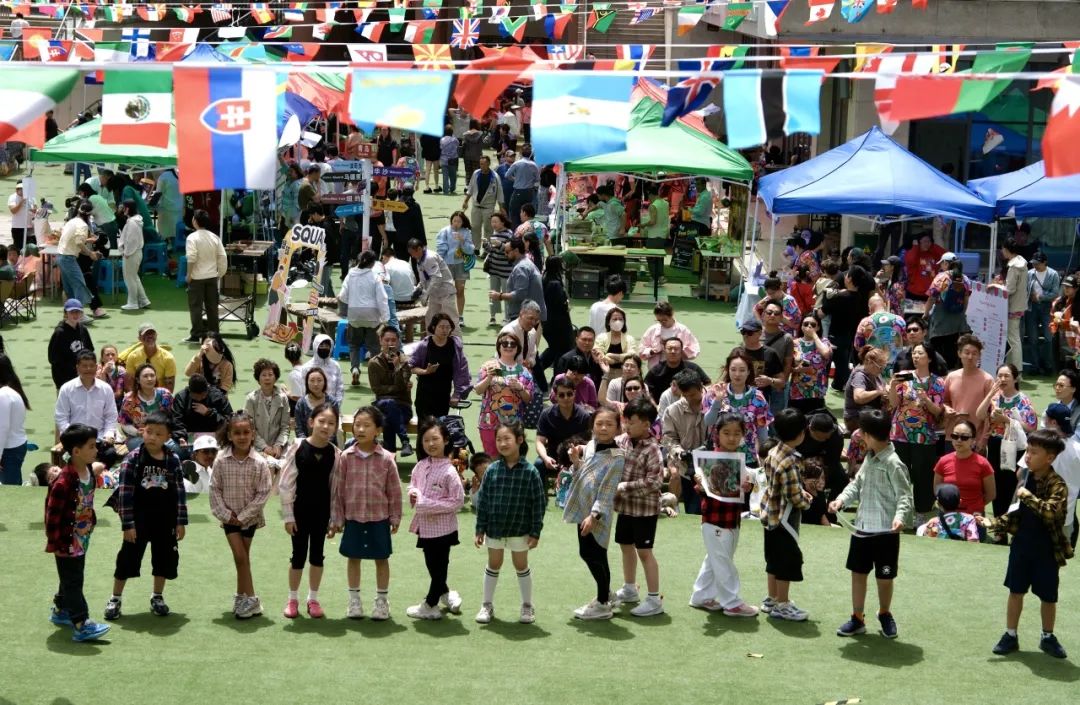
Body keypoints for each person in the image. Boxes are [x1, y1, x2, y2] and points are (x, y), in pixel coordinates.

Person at [983, 429, 1072, 659]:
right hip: (1021, 546)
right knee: (1016, 591)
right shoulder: (1025, 478)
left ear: (1050, 458)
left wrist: (1027, 496)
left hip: (1047, 550)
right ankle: (1010, 635)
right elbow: (1015, 513)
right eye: (1028, 451)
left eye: (1033, 452)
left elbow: (1051, 512)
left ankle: (1047, 636)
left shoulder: (1058, 484)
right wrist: (993, 522)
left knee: (1048, 596)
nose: (1028, 456)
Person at [829, 408, 913, 639]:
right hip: (862, 530)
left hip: (886, 533)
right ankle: (857, 618)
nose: (858, 435)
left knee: (885, 577)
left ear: (868, 435)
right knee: (858, 574)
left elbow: (905, 496)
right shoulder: (869, 457)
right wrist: (841, 500)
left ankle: (884, 613)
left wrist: (899, 517)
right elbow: (857, 485)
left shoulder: (894, 463)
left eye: (861, 432)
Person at [103, 412, 188, 621]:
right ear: (142, 431)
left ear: (168, 437)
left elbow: (179, 492)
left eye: (159, 434)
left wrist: (180, 521)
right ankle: (115, 598)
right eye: (149, 432)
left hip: (165, 521)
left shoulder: (173, 460)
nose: (152, 437)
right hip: (138, 521)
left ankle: (157, 596)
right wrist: (127, 524)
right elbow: (124, 493)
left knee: (164, 559)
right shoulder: (133, 458)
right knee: (127, 559)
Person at [330, 405, 402, 621]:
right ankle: (354, 601)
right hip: (353, 517)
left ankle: (382, 601)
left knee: (381, 558)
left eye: (366, 425)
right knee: (353, 558)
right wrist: (337, 518)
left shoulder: (387, 458)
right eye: (357, 425)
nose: (360, 429)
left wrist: (395, 516)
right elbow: (338, 490)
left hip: (379, 518)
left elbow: (394, 490)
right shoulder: (345, 457)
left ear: (378, 430)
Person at [44, 423, 112, 642]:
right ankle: (81, 624)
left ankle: (61, 609)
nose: (96, 450)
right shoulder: (63, 482)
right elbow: (52, 516)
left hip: (81, 537)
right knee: (74, 581)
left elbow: (97, 469)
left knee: (71, 576)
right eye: (91, 446)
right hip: (66, 540)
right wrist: (56, 543)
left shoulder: (87, 471)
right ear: (76, 451)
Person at [474, 421, 545, 625]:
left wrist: (535, 532)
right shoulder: (492, 470)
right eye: (499, 439)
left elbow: (538, 504)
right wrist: (480, 529)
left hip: (520, 529)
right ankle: (486, 605)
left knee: (520, 565)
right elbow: (484, 501)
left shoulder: (530, 472)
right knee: (493, 564)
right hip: (495, 528)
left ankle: (527, 605)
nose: (502, 443)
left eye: (507, 439)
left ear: (519, 440)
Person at [688, 411, 759, 616]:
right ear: (717, 434)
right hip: (714, 519)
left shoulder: (739, 460)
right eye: (726, 433)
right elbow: (700, 489)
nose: (732, 438)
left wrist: (747, 485)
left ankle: (701, 596)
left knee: (716, 558)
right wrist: (700, 483)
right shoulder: (708, 460)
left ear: (743, 435)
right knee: (722, 560)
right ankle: (732, 602)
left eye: (737, 433)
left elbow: (747, 485)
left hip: (732, 518)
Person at [278, 402, 340, 620]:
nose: (326, 426)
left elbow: (335, 489)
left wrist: (334, 519)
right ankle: (292, 599)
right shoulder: (298, 447)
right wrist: (288, 516)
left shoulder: (335, 454)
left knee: (317, 556)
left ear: (336, 427)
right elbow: (285, 484)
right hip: (300, 512)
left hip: (322, 513)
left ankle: (313, 599)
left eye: (331, 423)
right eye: (322, 421)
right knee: (298, 556)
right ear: (311, 422)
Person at [563, 405, 625, 620]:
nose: (604, 428)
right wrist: (575, 461)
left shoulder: (617, 456)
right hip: (583, 508)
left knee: (594, 553)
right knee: (593, 554)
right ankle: (606, 594)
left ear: (618, 428)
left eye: (609, 424)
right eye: (599, 424)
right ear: (592, 426)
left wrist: (594, 516)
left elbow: (607, 491)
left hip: (598, 514)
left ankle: (602, 603)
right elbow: (584, 473)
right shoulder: (591, 445)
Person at [210, 412, 273, 619]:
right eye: (237, 433)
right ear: (229, 435)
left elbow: (263, 493)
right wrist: (226, 514)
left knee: (242, 558)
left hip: (250, 519)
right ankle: (250, 599)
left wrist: (244, 516)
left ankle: (244, 597)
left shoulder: (260, 462)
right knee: (240, 557)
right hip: (229, 518)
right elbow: (215, 488)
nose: (242, 437)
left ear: (253, 434)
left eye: (246, 432)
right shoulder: (221, 459)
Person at [405, 418, 466, 620]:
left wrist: (425, 504)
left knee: (439, 567)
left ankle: (430, 604)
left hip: (443, 529)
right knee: (433, 565)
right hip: (425, 528)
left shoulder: (450, 472)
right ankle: (446, 594)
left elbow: (457, 501)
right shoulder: (421, 465)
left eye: (435, 439)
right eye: (426, 440)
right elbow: (413, 484)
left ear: (446, 440)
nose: (430, 444)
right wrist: (413, 493)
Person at [613, 398, 665, 617]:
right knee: (625, 545)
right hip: (625, 507)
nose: (627, 425)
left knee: (644, 552)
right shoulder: (622, 441)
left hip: (645, 510)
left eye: (632, 422)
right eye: (626, 421)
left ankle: (654, 599)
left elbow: (654, 482)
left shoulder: (652, 449)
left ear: (646, 424)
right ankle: (630, 588)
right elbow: (606, 452)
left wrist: (624, 487)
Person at [760, 408, 813, 622]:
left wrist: (799, 492)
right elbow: (793, 496)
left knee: (773, 560)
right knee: (786, 562)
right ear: (801, 433)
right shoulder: (790, 460)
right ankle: (782, 604)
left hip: (770, 514)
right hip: (784, 518)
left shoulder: (773, 452)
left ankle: (772, 598)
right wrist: (806, 500)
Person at [886, 342, 945, 524]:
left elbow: (938, 412)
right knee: (899, 473)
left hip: (925, 436)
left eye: (920, 353)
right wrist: (893, 386)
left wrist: (926, 400)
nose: (916, 356)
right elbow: (894, 404)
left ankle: (921, 513)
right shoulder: (904, 376)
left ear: (929, 358)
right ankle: (899, 513)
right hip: (900, 434)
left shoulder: (937, 382)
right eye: (914, 353)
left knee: (923, 476)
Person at [977, 363, 1038, 522]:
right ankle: (999, 522)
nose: (1002, 379)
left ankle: (1012, 522)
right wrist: (990, 394)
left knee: (1012, 484)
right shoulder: (995, 398)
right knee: (996, 482)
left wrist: (1006, 420)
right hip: (996, 444)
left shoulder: (1023, 400)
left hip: (1015, 446)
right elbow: (980, 415)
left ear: (1015, 379)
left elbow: (1031, 426)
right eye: (1000, 376)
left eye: (1007, 376)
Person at [704, 349, 773, 467]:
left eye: (742, 370)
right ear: (727, 370)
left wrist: (764, 457)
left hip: (748, 458)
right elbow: (708, 422)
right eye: (733, 369)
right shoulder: (714, 392)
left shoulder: (758, 398)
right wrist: (717, 401)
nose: (737, 374)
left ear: (748, 371)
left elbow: (762, 432)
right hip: (719, 456)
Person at [475, 333, 535, 456]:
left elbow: (528, 399)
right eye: (505, 343)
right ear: (499, 346)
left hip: (513, 423)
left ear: (518, 348)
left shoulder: (524, 371)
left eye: (513, 344)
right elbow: (478, 390)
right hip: (489, 422)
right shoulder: (489, 367)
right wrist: (488, 379)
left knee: (512, 457)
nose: (508, 346)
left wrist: (520, 388)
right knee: (491, 457)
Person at [818, 264, 874, 390]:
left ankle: (851, 387)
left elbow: (822, 313)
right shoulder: (859, 297)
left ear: (849, 279)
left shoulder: (840, 297)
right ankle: (838, 384)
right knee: (842, 363)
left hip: (834, 335)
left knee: (831, 364)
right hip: (849, 335)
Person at [339, 249, 390, 386]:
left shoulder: (351, 274)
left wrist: (351, 302)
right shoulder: (375, 276)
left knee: (354, 344)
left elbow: (342, 295)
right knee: (374, 347)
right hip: (372, 315)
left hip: (354, 314)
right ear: (373, 263)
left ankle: (355, 368)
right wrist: (385, 318)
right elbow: (382, 298)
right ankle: (375, 374)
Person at [661, 370, 707, 515]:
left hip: (712, 465)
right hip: (687, 468)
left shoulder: (715, 404)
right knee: (693, 510)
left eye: (693, 395)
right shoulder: (672, 411)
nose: (689, 399)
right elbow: (668, 439)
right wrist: (679, 452)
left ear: (701, 387)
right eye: (685, 395)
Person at [410, 314, 471, 421]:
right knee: (424, 427)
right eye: (441, 327)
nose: (445, 330)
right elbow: (411, 367)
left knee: (440, 427)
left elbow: (462, 371)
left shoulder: (455, 345)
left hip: (443, 395)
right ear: (434, 327)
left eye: (448, 327)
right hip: (424, 395)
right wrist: (425, 371)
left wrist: (457, 394)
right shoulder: (424, 346)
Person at [368, 326, 415, 456]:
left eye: (393, 340)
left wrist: (397, 367)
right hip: (381, 405)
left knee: (387, 420)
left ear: (398, 341)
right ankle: (405, 441)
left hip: (403, 406)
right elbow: (377, 389)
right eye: (387, 340)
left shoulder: (404, 361)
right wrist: (397, 389)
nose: (390, 343)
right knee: (388, 404)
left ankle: (389, 458)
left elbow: (402, 385)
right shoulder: (374, 363)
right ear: (380, 340)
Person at [55, 350, 120, 445]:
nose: (88, 369)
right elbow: (61, 417)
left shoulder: (106, 389)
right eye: (84, 366)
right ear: (77, 368)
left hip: (100, 437)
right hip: (74, 439)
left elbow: (111, 415)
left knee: (110, 453)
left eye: (91, 366)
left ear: (96, 367)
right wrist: (72, 435)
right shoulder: (66, 389)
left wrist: (109, 434)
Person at [932, 419, 995, 516]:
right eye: (955, 436)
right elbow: (937, 490)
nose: (959, 440)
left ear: (973, 440)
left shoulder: (983, 463)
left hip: (974, 516)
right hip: (948, 516)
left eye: (964, 437)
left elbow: (991, 494)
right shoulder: (943, 461)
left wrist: (976, 507)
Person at [941, 334, 995, 441]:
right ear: (959, 353)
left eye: (974, 353)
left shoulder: (987, 380)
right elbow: (944, 401)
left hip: (975, 437)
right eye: (966, 353)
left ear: (979, 356)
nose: (970, 357)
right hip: (953, 435)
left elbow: (991, 411)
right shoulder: (951, 377)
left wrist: (983, 439)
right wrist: (947, 408)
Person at [924, 253, 971, 370]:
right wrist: (962, 313)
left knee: (937, 348)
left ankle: (938, 372)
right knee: (952, 347)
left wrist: (926, 313)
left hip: (941, 318)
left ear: (946, 263)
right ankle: (951, 372)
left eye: (942, 264)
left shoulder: (942, 277)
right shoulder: (965, 279)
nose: (941, 266)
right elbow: (966, 298)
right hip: (957, 319)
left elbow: (932, 297)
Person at [170, 374, 234, 455]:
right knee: (173, 448)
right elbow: (176, 420)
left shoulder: (217, 396)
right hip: (188, 439)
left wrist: (209, 413)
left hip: (214, 438)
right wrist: (180, 437)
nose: (199, 399)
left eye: (203, 396)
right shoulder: (181, 398)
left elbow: (229, 420)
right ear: (190, 392)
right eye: (196, 397)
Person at [57, 200, 101, 318]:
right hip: (68, 258)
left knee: (69, 289)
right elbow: (79, 242)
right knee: (80, 286)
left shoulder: (71, 221)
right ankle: (79, 315)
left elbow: (76, 243)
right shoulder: (83, 225)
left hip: (61, 256)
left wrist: (88, 251)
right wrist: (90, 253)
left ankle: (69, 315)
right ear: (89, 215)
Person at [244, 359, 291, 465]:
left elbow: (285, 426)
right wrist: (264, 447)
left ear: (275, 378)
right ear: (258, 379)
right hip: (257, 447)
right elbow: (250, 428)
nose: (267, 378)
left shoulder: (283, 398)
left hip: (279, 448)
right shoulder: (251, 399)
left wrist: (278, 445)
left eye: (270, 374)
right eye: (263, 375)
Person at [409, 238, 459, 334]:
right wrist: (419, 288)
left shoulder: (430, 257)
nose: (412, 255)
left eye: (412, 252)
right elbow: (424, 278)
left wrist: (426, 295)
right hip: (434, 294)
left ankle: (457, 343)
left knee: (451, 321)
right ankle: (431, 342)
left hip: (446, 293)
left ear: (419, 249)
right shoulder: (419, 260)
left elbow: (437, 278)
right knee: (431, 320)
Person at [118, 364, 174, 449]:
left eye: (152, 375)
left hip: (162, 436)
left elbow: (173, 418)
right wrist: (137, 432)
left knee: (177, 449)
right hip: (139, 438)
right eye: (145, 376)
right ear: (138, 380)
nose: (149, 379)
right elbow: (124, 424)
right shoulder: (129, 399)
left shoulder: (165, 395)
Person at [492, 236, 545, 323]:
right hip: (530, 315)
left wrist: (500, 296)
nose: (505, 254)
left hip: (526, 317)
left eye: (507, 252)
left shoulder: (521, 268)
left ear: (516, 251)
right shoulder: (526, 263)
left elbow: (520, 294)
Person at [1024, 252, 1061, 376]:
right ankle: (1035, 365)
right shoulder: (1029, 273)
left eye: (1037, 263)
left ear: (1044, 262)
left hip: (1047, 308)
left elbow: (1055, 293)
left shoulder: (1053, 274)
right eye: (1034, 263)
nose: (1035, 265)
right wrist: (1030, 296)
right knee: (1032, 338)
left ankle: (1048, 364)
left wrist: (1040, 297)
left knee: (1048, 337)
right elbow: (1025, 290)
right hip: (1031, 308)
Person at [435, 211, 475, 324]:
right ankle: (445, 314)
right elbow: (440, 247)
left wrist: (462, 241)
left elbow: (470, 249)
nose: (456, 223)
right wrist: (439, 262)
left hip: (461, 263)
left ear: (463, 222)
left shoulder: (466, 232)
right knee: (446, 290)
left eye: (459, 221)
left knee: (460, 290)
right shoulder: (444, 231)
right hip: (447, 263)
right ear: (451, 221)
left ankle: (460, 316)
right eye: (454, 221)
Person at [644, 337, 710, 405]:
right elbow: (646, 391)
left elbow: (708, 384)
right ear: (664, 350)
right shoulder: (656, 371)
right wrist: (655, 407)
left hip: (689, 407)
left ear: (681, 351)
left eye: (676, 349)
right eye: (669, 348)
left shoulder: (693, 368)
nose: (673, 351)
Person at [790, 312, 832, 413]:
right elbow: (787, 365)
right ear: (801, 326)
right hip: (797, 389)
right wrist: (796, 370)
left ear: (818, 327)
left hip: (816, 390)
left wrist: (814, 335)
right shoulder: (794, 343)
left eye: (813, 325)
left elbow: (826, 353)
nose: (809, 326)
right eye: (805, 324)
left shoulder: (824, 342)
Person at [854, 294, 906, 374]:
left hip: (874, 366)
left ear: (870, 308)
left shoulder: (865, 322)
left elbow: (858, 346)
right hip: (895, 365)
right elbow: (905, 341)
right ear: (884, 305)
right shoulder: (899, 320)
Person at [48, 299, 95, 390]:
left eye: (78, 312)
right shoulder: (59, 333)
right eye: (72, 312)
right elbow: (53, 358)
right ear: (66, 313)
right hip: (65, 379)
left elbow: (89, 351)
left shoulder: (83, 329)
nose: (75, 315)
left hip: (82, 377)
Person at [638, 301, 700, 369]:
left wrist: (678, 347)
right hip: (657, 368)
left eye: (665, 320)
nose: (662, 323)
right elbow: (641, 350)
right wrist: (652, 351)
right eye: (659, 320)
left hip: (678, 368)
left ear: (672, 315)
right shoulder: (652, 330)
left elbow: (694, 350)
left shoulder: (682, 330)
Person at [760, 300, 795, 416]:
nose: (772, 315)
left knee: (777, 415)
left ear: (781, 317)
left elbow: (788, 363)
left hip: (777, 382)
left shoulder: (787, 338)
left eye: (776, 313)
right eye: (769, 312)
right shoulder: (755, 334)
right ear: (763, 314)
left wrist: (782, 383)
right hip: (758, 380)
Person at [463, 155, 505, 251]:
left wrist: (501, 207)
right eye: (481, 164)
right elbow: (471, 188)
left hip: (488, 208)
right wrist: (466, 201)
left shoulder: (495, 177)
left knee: (488, 229)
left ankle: (487, 250)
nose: (482, 166)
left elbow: (499, 193)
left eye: (484, 164)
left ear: (488, 164)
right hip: (476, 206)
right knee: (475, 228)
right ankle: (476, 248)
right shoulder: (476, 174)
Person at [120, 323, 177, 393]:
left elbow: (169, 386)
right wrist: (135, 398)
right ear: (139, 338)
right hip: (139, 395)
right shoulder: (133, 356)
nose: (150, 336)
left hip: (160, 395)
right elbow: (129, 382)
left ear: (156, 335)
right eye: (146, 334)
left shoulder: (168, 358)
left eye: (152, 333)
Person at [0, 353, 30, 485]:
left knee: (10, 488)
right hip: (13, 446)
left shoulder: (3, 395)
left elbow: (3, 428)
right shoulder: (9, 391)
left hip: (8, 450)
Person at [116, 200, 151, 311]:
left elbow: (131, 240)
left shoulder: (132, 222)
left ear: (127, 209)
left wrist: (126, 253)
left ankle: (133, 302)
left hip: (132, 253)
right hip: (135, 252)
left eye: (123, 208)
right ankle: (143, 300)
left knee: (130, 279)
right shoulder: (135, 220)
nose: (122, 210)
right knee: (134, 277)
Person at [1001, 237, 1030, 370]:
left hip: (1012, 306)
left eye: (1003, 249)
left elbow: (1009, 289)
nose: (1002, 251)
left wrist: (996, 287)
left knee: (1013, 339)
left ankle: (1017, 370)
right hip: (1018, 305)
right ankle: (1012, 368)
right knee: (1013, 339)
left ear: (1007, 250)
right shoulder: (1022, 263)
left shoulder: (1014, 266)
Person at [917, 483, 981, 541]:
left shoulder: (933, 522)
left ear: (938, 504)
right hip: (962, 550)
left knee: (920, 529)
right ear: (960, 502)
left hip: (940, 550)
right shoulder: (969, 519)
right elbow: (973, 540)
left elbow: (927, 542)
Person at [482, 213, 514, 326]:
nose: (493, 224)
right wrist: (486, 245)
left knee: (506, 294)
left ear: (502, 222)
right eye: (492, 222)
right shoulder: (494, 234)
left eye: (495, 222)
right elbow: (491, 250)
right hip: (494, 268)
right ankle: (493, 316)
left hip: (506, 270)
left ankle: (507, 317)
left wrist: (500, 245)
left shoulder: (509, 234)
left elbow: (510, 251)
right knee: (493, 292)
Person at [294, 368, 339, 440]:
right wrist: (306, 443)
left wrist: (325, 442)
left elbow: (334, 427)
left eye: (319, 380)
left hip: (328, 442)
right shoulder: (301, 403)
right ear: (307, 383)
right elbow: (299, 429)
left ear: (324, 382)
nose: (316, 384)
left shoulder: (332, 402)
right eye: (312, 380)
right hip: (306, 443)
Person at [301, 333, 345, 405]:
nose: (324, 348)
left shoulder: (335, 366)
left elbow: (340, 387)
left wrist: (336, 405)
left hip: (331, 406)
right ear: (315, 347)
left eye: (327, 346)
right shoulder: (306, 367)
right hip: (311, 406)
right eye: (321, 345)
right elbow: (303, 389)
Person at [505, 144, 540, 229]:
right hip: (529, 192)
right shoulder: (534, 165)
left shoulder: (516, 164)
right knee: (528, 213)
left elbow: (507, 175)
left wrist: (515, 179)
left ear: (521, 153)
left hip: (518, 191)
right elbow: (537, 179)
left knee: (514, 213)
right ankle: (526, 229)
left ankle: (516, 231)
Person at [903, 233, 945, 300]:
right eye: (924, 241)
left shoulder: (933, 253)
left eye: (929, 241)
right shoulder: (913, 253)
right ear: (919, 242)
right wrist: (915, 247)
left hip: (930, 293)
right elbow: (910, 261)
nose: (927, 244)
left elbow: (945, 255)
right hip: (914, 293)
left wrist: (932, 246)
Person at [1050, 275, 1077, 371]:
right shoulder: (1058, 301)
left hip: (1075, 340)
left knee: (1074, 367)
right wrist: (1054, 327)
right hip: (1059, 338)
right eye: (1065, 286)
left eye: (1069, 287)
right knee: (1060, 367)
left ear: (1076, 288)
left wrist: (1064, 323)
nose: (1066, 288)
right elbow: (1052, 318)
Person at [8, 180, 32, 254]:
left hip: (29, 227)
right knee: (18, 249)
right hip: (18, 227)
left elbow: (34, 209)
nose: (21, 190)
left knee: (29, 250)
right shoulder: (12, 197)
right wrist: (21, 201)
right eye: (19, 188)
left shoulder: (30, 197)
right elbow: (13, 211)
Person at [439, 124, 460, 195]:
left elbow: (440, 148)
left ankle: (445, 190)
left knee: (445, 176)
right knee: (453, 176)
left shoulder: (442, 140)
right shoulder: (454, 139)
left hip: (443, 160)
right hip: (452, 160)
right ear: (452, 132)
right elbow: (458, 144)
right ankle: (452, 188)